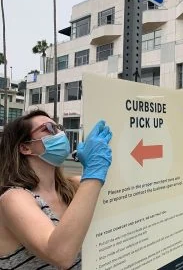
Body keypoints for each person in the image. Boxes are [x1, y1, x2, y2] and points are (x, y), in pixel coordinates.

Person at [0, 110, 112, 269]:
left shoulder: (74, 186)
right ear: (25, 148)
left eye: (58, 127)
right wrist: (94, 172)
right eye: (48, 129)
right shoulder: (14, 198)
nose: (60, 134)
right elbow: (60, 256)